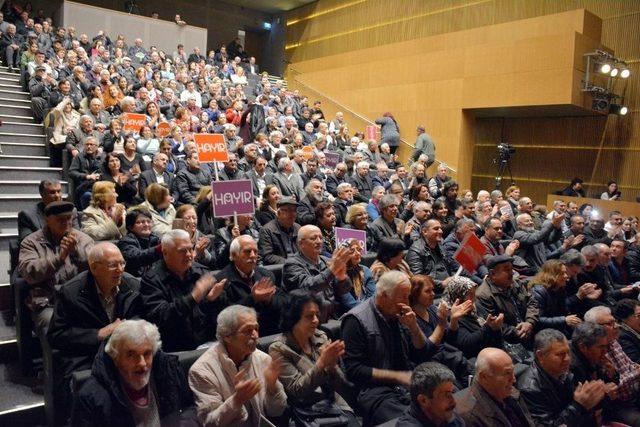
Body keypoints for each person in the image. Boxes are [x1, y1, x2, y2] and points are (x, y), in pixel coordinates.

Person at [341, 270, 434, 425]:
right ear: (384, 296)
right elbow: (354, 370)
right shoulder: (356, 320)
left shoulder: (400, 315)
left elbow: (422, 354)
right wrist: (396, 376)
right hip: (374, 391)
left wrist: (413, 327)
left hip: (406, 381)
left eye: (408, 296)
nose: (407, 302)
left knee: (442, 403)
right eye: (403, 297)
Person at [71, 319, 198, 426]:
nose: (142, 363)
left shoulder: (170, 372)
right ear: (116, 358)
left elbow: (189, 409)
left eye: (147, 354)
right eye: (131, 355)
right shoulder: (90, 397)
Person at [269, 290, 359, 426]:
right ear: (292, 318)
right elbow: (297, 391)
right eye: (309, 316)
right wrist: (321, 364)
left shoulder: (321, 336)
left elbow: (341, 385)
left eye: (317, 315)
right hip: (306, 413)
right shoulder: (279, 349)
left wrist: (332, 366)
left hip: (333, 405)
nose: (316, 320)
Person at [188, 305, 287, 426]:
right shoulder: (202, 371)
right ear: (227, 336)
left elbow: (276, 411)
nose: (255, 335)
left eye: (256, 328)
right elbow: (210, 423)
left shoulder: (263, 359)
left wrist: (272, 387)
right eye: (248, 330)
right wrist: (237, 400)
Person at [140, 229, 227, 351]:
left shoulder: (200, 271)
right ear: (165, 253)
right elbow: (161, 317)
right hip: (175, 349)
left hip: (207, 343)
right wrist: (193, 297)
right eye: (182, 251)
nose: (189, 255)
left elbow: (220, 313)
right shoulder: (151, 280)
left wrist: (212, 300)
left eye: (190, 249)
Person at [18, 201, 94, 334]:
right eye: (60, 220)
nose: (66, 223)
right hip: (48, 301)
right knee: (55, 328)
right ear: (47, 220)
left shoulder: (83, 239)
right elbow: (28, 272)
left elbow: (96, 266)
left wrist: (76, 252)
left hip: (80, 299)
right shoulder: (31, 242)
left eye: (69, 219)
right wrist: (59, 258)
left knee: (94, 322)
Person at [518, 329, 605, 427]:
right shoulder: (529, 388)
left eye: (568, 352)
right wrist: (578, 405)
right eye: (560, 354)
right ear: (540, 355)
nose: (567, 359)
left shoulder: (565, 371)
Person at [214, 236, 284, 336]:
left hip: (269, 330)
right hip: (240, 335)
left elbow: (283, 303)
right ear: (233, 255)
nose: (253, 255)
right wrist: (253, 298)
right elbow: (225, 317)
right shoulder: (221, 281)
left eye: (255, 252)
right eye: (247, 251)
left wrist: (269, 301)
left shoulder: (266, 274)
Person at [283, 225, 353, 319]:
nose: (319, 241)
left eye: (320, 237)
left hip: (333, 314)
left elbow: (345, 289)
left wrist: (342, 278)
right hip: (308, 318)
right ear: (301, 243)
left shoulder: (326, 260)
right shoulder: (291, 264)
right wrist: (332, 270)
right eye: (313, 238)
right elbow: (308, 287)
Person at [457, 348, 535, 426]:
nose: (513, 379)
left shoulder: (509, 390)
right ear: (484, 377)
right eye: (507, 373)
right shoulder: (469, 417)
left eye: (512, 372)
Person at [475, 255, 539, 345]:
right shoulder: (483, 295)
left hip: (530, 328)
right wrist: (519, 331)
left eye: (511, 269)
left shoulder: (516, 282)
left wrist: (529, 322)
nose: (512, 273)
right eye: (507, 270)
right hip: (509, 342)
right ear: (493, 274)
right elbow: (495, 324)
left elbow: (532, 302)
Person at [397, 362, 464, 426]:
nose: (453, 402)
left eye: (452, 392)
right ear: (423, 400)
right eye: (445, 395)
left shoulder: (449, 417)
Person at [529, 259, 581, 337]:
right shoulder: (538, 291)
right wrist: (564, 320)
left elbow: (564, 311)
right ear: (553, 275)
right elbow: (538, 320)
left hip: (557, 328)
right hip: (542, 333)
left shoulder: (560, 289)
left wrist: (573, 320)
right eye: (562, 273)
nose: (566, 276)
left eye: (566, 273)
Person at [406, 219, 454, 291]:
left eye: (440, 228)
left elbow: (450, 266)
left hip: (448, 287)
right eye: (436, 229)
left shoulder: (440, 245)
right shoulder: (415, 250)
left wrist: (454, 277)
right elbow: (418, 279)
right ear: (425, 231)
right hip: (431, 291)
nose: (441, 231)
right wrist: (441, 284)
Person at [117, 209, 162, 277]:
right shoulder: (125, 241)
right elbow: (136, 258)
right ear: (130, 227)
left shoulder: (156, 239)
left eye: (149, 221)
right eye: (140, 222)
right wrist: (159, 249)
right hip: (137, 279)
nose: (146, 225)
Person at [258, 196, 301, 265]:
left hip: (300, 266)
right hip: (281, 269)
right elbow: (267, 256)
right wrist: (290, 263)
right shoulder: (267, 230)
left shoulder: (298, 228)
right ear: (278, 213)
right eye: (288, 210)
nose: (293, 214)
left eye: (294, 210)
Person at [614, 299, 640, 363]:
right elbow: (636, 362)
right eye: (639, 315)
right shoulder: (622, 337)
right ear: (624, 319)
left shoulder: (636, 328)